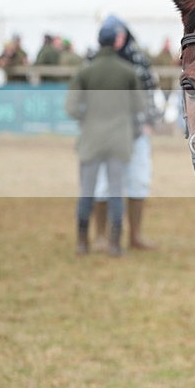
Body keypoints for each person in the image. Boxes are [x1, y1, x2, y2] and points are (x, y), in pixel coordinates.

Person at [65, 21, 145, 256]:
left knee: (87, 191)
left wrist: (86, 117)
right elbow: (139, 105)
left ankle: (82, 241)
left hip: (91, 139)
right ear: (116, 42)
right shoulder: (128, 71)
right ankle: (115, 244)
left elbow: (71, 107)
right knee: (116, 190)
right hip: (119, 139)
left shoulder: (86, 71)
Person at [93, 15, 160, 251]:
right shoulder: (93, 60)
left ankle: (135, 236)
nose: (118, 39)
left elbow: (150, 91)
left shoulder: (138, 59)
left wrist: (149, 121)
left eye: (120, 34)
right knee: (103, 183)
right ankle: (100, 236)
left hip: (137, 131)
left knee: (138, 180)